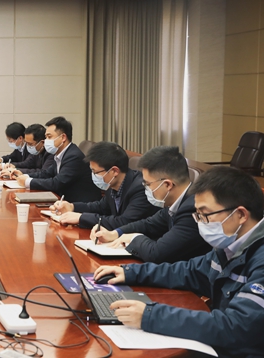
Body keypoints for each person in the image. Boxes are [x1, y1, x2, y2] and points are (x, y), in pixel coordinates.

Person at [94, 166, 264, 357]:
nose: (200, 222)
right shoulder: (230, 246)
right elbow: (189, 272)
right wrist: (130, 272)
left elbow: (237, 326)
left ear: (241, 215)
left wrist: (150, 316)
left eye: (205, 215)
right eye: (197, 215)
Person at [91, 146, 211, 263]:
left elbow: (156, 253)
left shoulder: (193, 209)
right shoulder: (175, 201)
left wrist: (133, 238)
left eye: (148, 184)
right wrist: (115, 233)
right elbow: (149, 224)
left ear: (168, 185)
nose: (146, 189)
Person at [49, 141, 160, 229]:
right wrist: (72, 207)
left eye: (96, 172)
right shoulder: (112, 183)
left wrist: (81, 218)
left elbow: (124, 222)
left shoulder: (140, 188)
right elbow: (101, 207)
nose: (93, 176)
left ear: (114, 171)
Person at [16, 116, 100, 202]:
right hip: (64, 201)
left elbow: (57, 183)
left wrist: (28, 182)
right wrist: (25, 175)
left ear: (63, 137)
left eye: (49, 137)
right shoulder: (60, 154)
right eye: (46, 137)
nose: (46, 141)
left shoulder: (73, 156)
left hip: (79, 204)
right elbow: (47, 173)